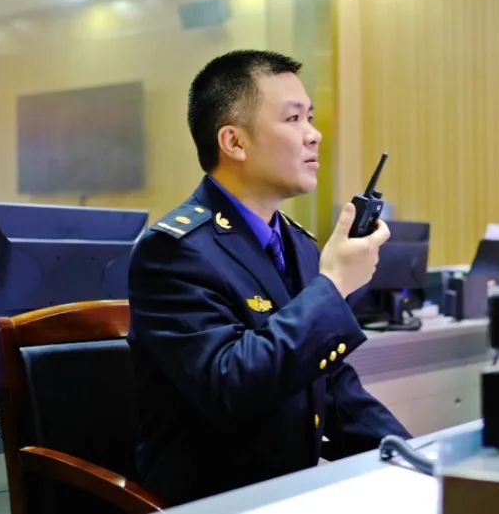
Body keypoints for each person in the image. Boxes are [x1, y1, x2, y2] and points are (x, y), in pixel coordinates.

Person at [127, 50, 411, 505]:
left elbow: (329, 384)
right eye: (293, 119)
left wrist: (413, 458)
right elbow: (230, 386)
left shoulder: (297, 244)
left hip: (289, 493)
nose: (314, 134)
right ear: (234, 142)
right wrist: (334, 284)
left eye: (309, 117)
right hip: (215, 501)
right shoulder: (173, 251)